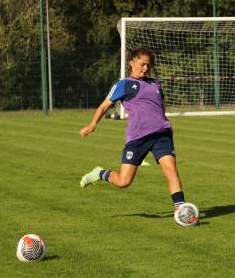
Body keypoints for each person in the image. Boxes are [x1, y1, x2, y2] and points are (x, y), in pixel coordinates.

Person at [78, 45, 186, 210]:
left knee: (171, 170)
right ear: (131, 62)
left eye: (148, 65)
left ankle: (182, 210)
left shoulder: (155, 84)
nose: (146, 68)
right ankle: (100, 173)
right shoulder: (124, 85)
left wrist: (164, 119)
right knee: (123, 182)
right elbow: (104, 106)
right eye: (142, 64)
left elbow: (158, 105)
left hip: (161, 134)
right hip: (138, 137)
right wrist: (93, 124)